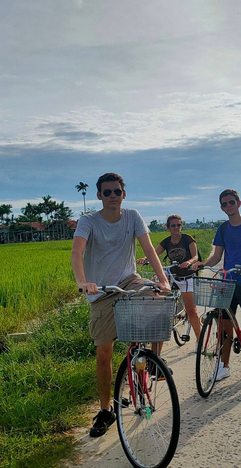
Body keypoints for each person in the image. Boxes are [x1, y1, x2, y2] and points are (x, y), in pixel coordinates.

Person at [71, 172, 170, 438]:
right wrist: (84, 282)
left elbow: (148, 249)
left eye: (117, 191)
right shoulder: (88, 221)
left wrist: (162, 280)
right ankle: (106, 410)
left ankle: (151, 359)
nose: (112, 196)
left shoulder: (133, 217)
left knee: (157, 299)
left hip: (128, 281)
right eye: (107, 192)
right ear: (99, 196)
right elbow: (77, 252)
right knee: (104, 353)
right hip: (102, 291)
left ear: (123, 194)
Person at [192, 189, 241, 388]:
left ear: (239, 202)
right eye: (225, 204)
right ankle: (224, 366)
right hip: (227, 282)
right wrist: (203, 264)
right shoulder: (223, 229)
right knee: (225, 329)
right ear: (221, 207)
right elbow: (217, 256)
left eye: (231, 202)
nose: (229, 206)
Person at [137, 214, 202, 341]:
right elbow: (154, 254)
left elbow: (195, 257)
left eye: (178, 225)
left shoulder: (187, 239)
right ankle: (160, 316)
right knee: (155, 284)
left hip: (187, 276)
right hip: (173, 275)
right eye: (173, 225)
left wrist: (189, 262)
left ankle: (200, 341)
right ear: (168, 227)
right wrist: (145, 259)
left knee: (191, 310)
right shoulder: (166, 242)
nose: (176, 228)